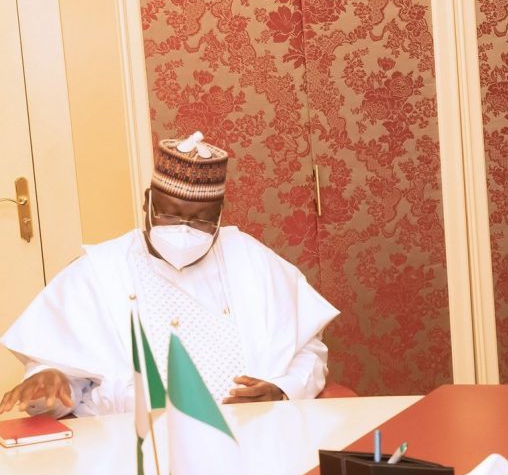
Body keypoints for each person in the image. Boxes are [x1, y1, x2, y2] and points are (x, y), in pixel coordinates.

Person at [1, 132, 339, 417]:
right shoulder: (100, 272)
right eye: (170, 215)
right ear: (148, 203)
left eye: (200, 220)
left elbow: (309, 351)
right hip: (133, 449)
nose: (183, 230)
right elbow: (63, 389)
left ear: (220, 215)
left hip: (250, 436)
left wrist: (283, 390)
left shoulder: (253, 260)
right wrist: (47, 375)